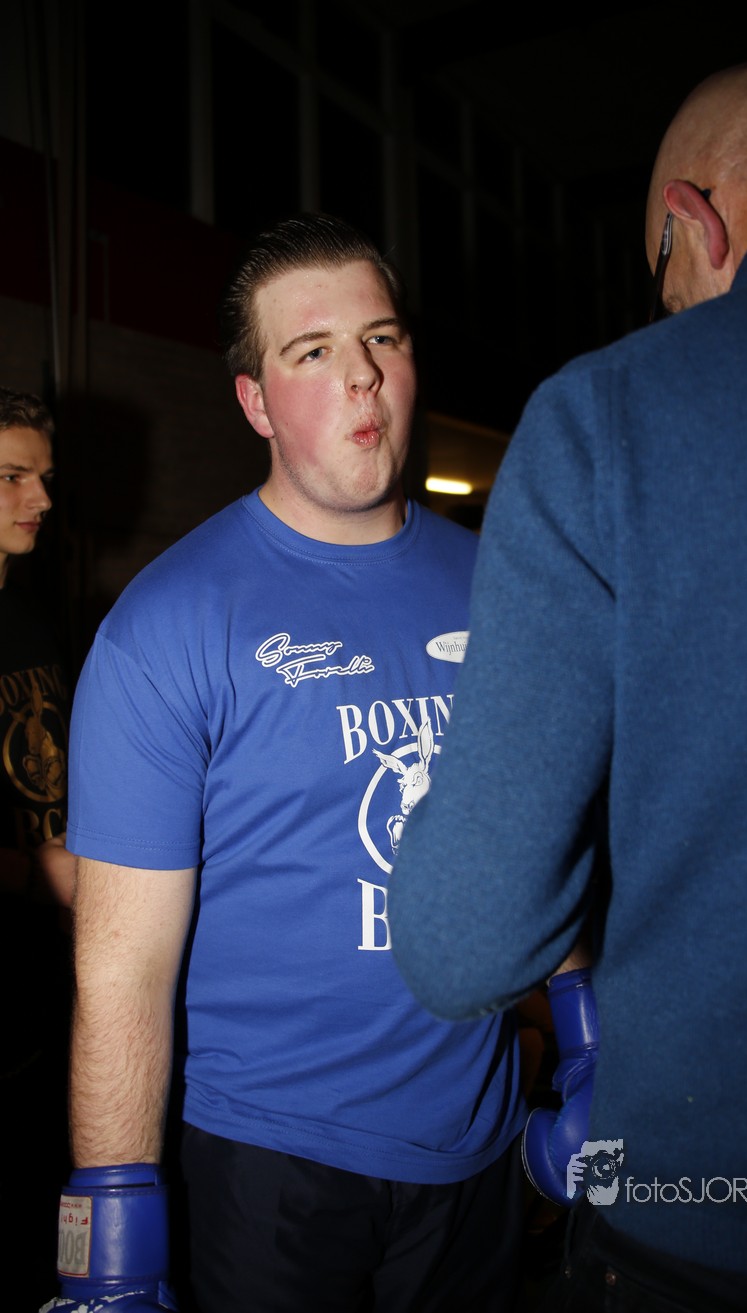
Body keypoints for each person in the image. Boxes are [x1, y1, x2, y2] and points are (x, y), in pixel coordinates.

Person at [389, 58, 747, 1311]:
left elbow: (462, 942)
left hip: (718, 1224)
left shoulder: (612, 416)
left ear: (688, 222)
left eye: (666, 286)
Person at [49, 215, 524, 1313]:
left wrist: (587, 1036)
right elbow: (121, 971)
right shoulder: (167, 624)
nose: (362, 375)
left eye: (382, 338)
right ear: (256, 401)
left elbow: (545, 831)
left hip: (484, 1139)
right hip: (271, 1166)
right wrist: (107, 1242)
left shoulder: (506, 581)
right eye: (312, 351)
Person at [0, 386, 74, 1300]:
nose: (42, 498)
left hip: (44, 986)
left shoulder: (31, 616)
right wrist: (37, 874)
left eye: (43, 476)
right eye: (13, 477)